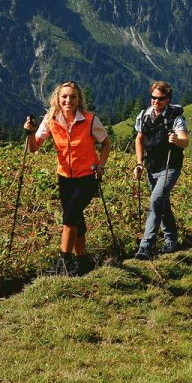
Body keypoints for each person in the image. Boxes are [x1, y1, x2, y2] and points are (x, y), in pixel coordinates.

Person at [24, 81, 111, 276]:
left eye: (73, 97)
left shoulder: (90, 120)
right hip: (64, 177)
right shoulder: (50, 120)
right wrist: (29, 133)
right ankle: (82, 261)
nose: (68, 100)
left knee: (70, 215)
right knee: (76, 219)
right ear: (57, 98)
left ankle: (63, 261)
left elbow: (106, 144)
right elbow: (34, 147)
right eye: (64, 96)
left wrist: (101, 166)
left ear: (79, 99)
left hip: (88, 176)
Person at [133, 81, 189, 259]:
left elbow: (185, 141)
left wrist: (176, 140)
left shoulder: (175, 118)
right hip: (151, 167)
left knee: (156, 201)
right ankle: (171, 241)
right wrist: (139, 163)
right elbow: (139, 139)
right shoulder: (144, 116)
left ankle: (146, 246)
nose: (155, 102)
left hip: (170, 167)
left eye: (160, 99)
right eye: (153, 98)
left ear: (167, 99)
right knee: (162, 204)